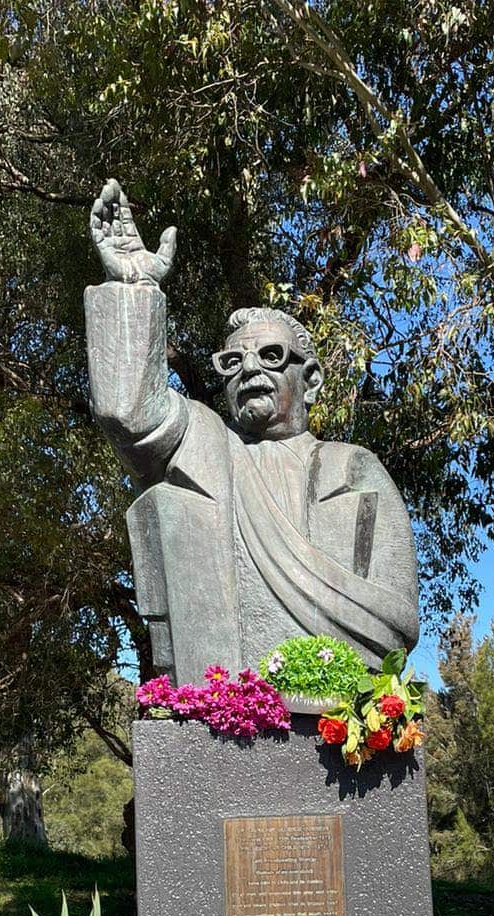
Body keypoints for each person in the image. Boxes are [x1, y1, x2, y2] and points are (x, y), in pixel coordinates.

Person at [85, 179, 420, 684]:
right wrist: (136, 285)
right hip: (221, 713)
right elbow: (130, 411)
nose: (249, 369)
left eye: (270, 356)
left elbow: (394, 621)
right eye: (233, 361)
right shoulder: (210, 449)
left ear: (310, 379)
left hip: (340, 733)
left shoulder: (352, 468)